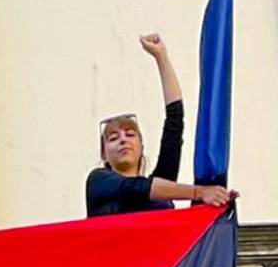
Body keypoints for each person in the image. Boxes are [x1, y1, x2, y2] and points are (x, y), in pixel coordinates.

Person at [86, 34, 234, 217]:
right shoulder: (98, 181)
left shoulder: (160, 186)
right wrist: (199, 192)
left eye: (130, 134)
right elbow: (134, 188)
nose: (123, 140)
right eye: (113, 138)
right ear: (104, 154)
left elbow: (175, 122)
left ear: (141, 146)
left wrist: (161, 57)